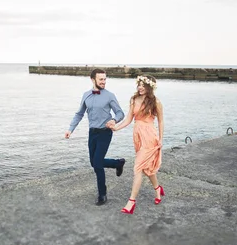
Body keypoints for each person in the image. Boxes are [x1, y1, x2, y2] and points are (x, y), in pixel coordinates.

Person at [65, 68, 126, 206]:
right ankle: (117, 163)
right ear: (93, 80)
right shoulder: (86, 95)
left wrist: (114, 120)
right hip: (92, 133)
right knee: (93, 162)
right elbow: (79, 114)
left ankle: (102, 194)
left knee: (97, 164)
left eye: (105, 79)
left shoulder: (110, 95)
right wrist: (70, 129)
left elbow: (120, 113)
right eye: (101, 79)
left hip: (105, 132)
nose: (104, 82)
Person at [110, 75, 164, 215]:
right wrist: (117, 127)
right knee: (146, 168)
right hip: (138, 135)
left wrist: (161, 139)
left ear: (150, 87)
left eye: (143, 85)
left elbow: (161, 122)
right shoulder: (134, 99)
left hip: (150, 136)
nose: (140, 87)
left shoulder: (155, 102)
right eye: (138, 84)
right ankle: (158, 189)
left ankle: (131, 202)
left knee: (138, 167)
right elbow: (129, 118)